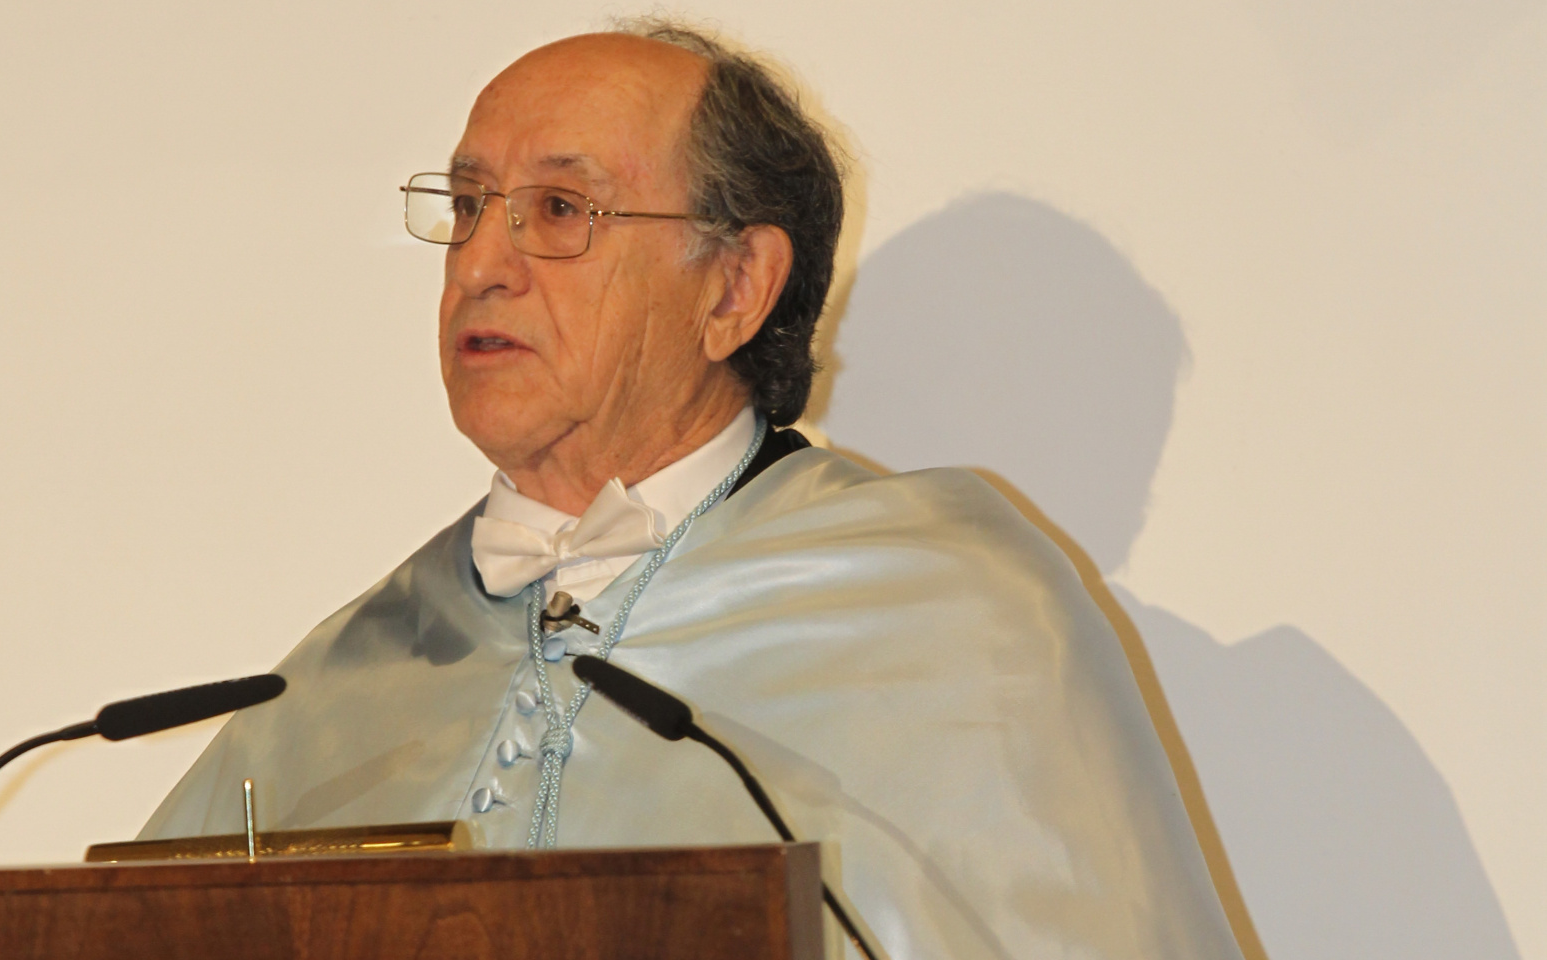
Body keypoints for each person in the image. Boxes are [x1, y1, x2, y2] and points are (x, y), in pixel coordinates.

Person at [141, 21, 1243, 959]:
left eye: (561, 210)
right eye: (469, 204)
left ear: (734, 288)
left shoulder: (956, 618)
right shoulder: (346, 675)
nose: (481, 260)